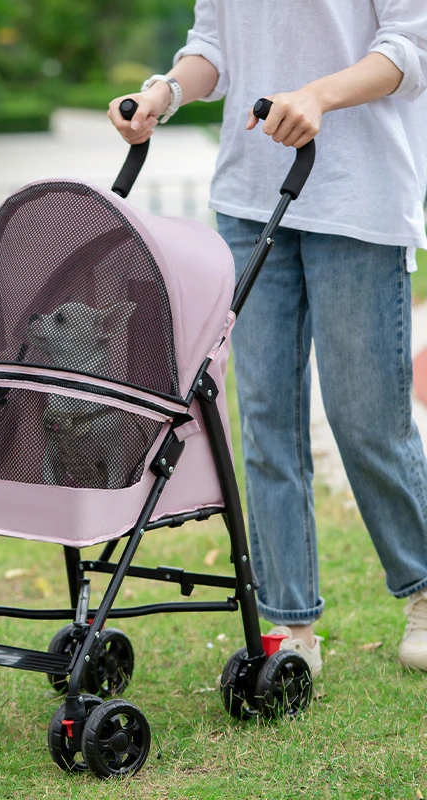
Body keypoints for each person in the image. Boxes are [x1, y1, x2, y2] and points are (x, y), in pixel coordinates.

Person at [109, 1, 427, 675]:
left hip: (359, 198)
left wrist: (317, 95)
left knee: (367, 418)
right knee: (265, 420)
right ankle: (290, 624)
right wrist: (162, 93)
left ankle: (424, 589)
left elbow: (409, 47)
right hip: (252, 199)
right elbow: (214, 49)